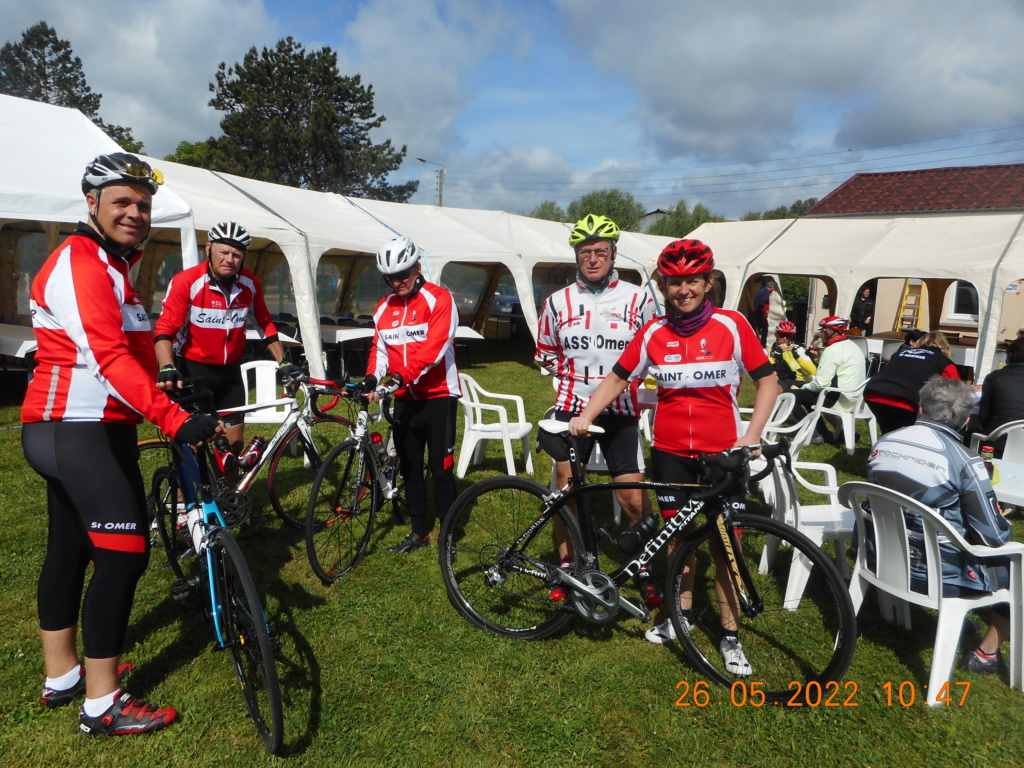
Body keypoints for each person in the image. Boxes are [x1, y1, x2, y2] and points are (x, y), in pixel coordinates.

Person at [21, 153, 221, 736]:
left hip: (90, 428)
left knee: (69, 549)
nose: (135, 213)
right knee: (124, 554)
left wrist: (169, 380)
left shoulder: (112, 266)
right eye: (121, 202)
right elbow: (105, 358)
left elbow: (128, 353)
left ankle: (63, 677)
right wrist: (171, 417)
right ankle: (102, 704)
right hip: (75, 427)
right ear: (92, 204)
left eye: (143, 204)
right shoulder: (81, 262)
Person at [568, 238, 778, 674]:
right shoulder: (653, 333)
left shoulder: (732, 325)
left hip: (721, 456)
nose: (683, 290)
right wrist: (585, 415)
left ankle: (731, 635)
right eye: (675, 282)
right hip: (669, 454)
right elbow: (618, 378)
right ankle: (678, 615)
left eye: (692, 281)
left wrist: (752, 435)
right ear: (664, 286)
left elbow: (768, 382)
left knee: (726, 547)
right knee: (677, 541)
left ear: (707, 282)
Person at [534, 214, 660, 605]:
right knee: (565, 492)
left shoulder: (639, 298)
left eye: (600, 252)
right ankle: (568, 567)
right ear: (576, 256)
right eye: (585, 252)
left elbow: (653, 350)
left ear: (614, 254)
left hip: (621, 409)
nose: (593, 259)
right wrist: (573, 379)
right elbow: (545, 352)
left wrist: (631, 382)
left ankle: (644, 566)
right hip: (572, 409)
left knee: (632, 499)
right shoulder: (557, 302)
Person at [868, 376, 1012, 677]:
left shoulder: (886, 441)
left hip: (879, 558)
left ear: (921, 409)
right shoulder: (964, 461)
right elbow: (993, 537)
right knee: (1015, 566)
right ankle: (986, 654)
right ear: (965, 422)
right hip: (936, 574)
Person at [154, 222, 295, 472]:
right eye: (223, 252)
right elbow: (165, 328)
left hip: (230, 374)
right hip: (193, 372)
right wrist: (166, 365)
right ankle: (183, 504)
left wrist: (282, 361)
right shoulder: (187, 281)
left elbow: (264, 323)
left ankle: (227, 507)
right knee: (192, 444)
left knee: (234, 443)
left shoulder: (249, 283)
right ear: (209, 249)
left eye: (236, 254)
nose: (229, 259)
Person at [364, 236, 460, 553]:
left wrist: (399, 377)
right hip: (404, 397)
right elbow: (379, 350)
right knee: (410, 467)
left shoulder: (440, 299)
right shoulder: (383, 308)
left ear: (417, 267)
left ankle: (448, 535)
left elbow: (435, 349)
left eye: (403, 273)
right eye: (390, 277)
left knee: (440, 470)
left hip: (438, 395)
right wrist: (371, 378)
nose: (398, 281)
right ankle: (419, 532)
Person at [864, 331, 959, 435]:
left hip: (874, 392)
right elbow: (956, 387)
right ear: (944, 345)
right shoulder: (943, 361)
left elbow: (888, 368)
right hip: (906, 399)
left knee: (889, 430)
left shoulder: (900, 353)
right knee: (906, 433)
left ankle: (886, 447)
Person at [792, 316, 866, 445]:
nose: (820, 335)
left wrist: (802, 388)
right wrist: (818, 358)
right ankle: (828, 434)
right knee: (809, 397)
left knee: (793, 396)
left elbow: (822, 383)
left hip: (839, 397)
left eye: (821, 331)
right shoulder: (852, 345)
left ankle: (814, 434)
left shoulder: (832, 349)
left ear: (828, 331)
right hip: (853, 397)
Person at [975, 336, 1024, 453]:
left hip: (994, 443)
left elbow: (984, 416)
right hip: (1020, 448)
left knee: (970, 433)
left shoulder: (995, 377)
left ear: (1010, 355)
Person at [765, 319, 816, 392]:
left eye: (788, 336)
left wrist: (797, 357)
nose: (785, 339)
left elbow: (813, 371)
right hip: (778, 382)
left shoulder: (798, 349)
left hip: (797, 381)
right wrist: (774, 357)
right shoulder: (768, 351)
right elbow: (762, 370)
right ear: (776, 334)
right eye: (782, 335)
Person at [749, 281, 775, 345]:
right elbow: (761, 304)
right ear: (771, 287)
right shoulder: (765, 293)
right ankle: (763, 344)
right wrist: (764, 314)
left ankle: (756, 342)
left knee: (758, 327)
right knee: (764, 329)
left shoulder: (762, 291)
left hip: (758, 312)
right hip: (760, 312)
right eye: (774, 287)